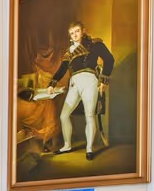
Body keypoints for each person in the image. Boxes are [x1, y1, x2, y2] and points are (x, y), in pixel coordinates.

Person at [48, 19, 115, 160]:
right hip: (74, 83)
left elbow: (109, 59)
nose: (75, 35)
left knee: (89, 115)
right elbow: (62, 69)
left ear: (83, 31)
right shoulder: (69, 52)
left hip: (90, 80)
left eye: (77, 31)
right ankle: (67, 145)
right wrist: (51, 84)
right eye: (72, 33)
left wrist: (104, 80)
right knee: (63, 116)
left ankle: (89, 149)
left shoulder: (95, 44)